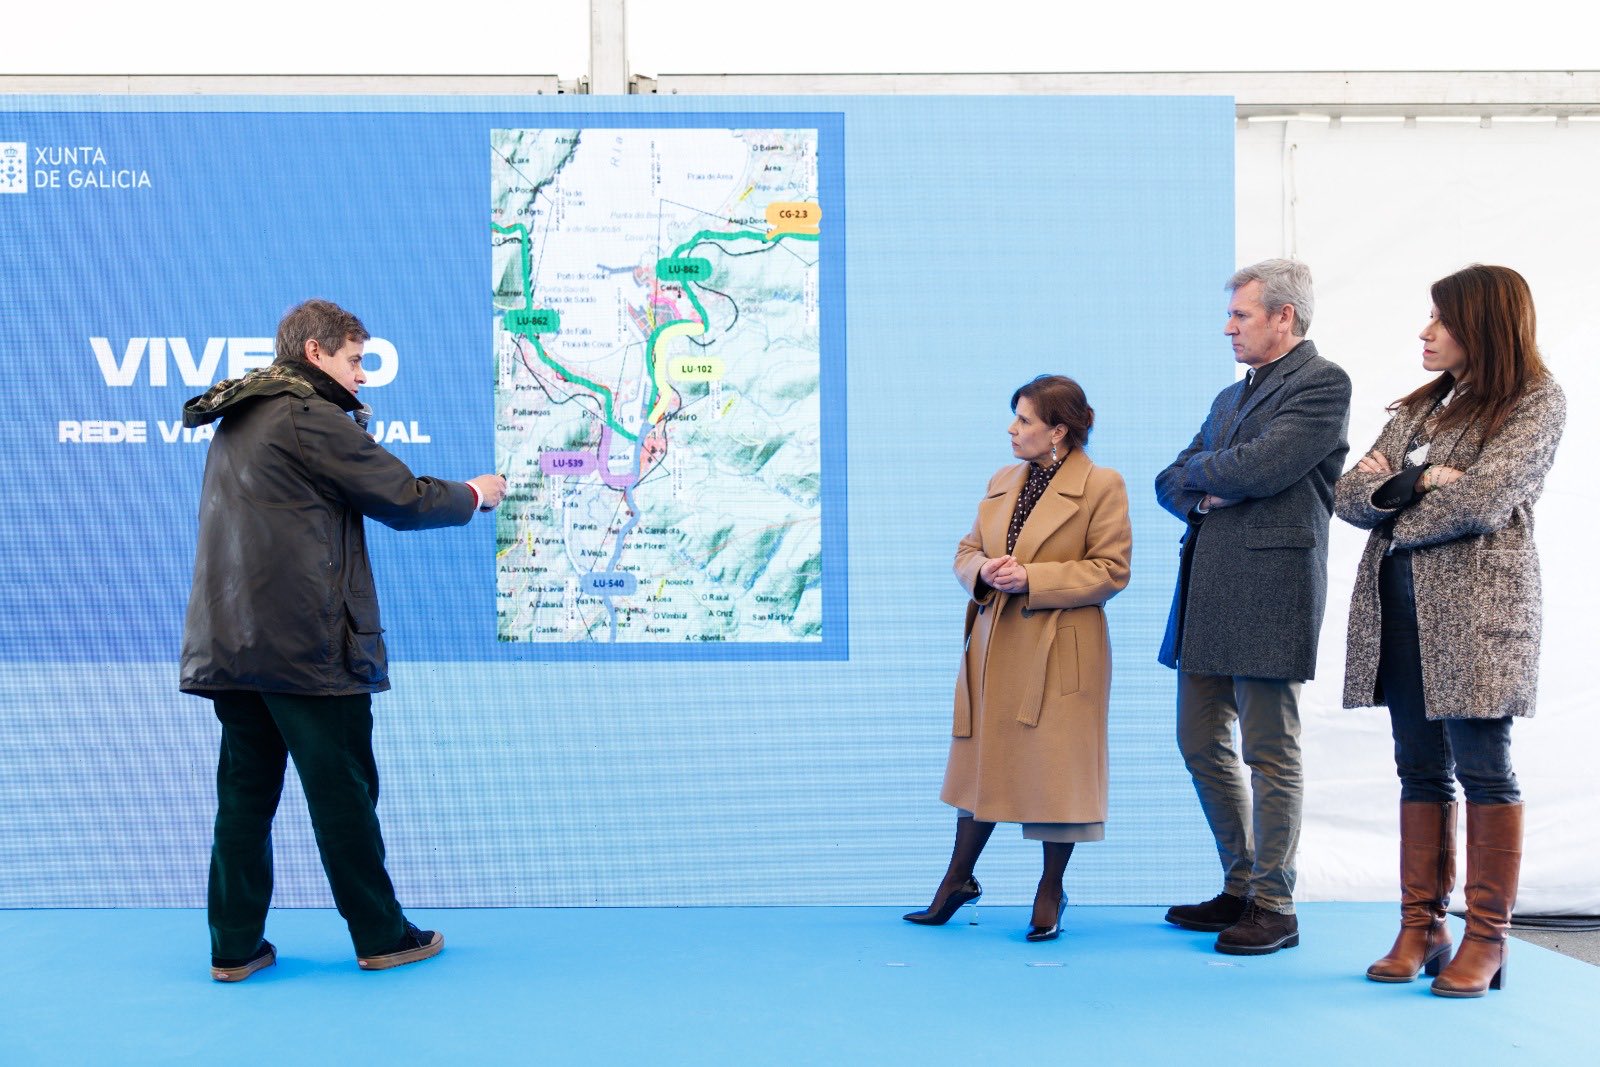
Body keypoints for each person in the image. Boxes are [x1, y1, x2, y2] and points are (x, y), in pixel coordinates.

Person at [180, 299, 508, 982]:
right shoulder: (306, 415)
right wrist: (474, 493)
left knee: (245, 795)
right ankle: (383, 934)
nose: (364, 375)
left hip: (235, 645)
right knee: (344, 793)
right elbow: (405, 497)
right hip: (306, 647)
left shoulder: (242, 413)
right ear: (315, 354)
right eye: (355, 360)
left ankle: (233, 945)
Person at [1335, 265, 1564, 997]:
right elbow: (1347, 492)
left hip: (1479, 613)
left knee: (1484, 767)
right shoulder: (1420, 406)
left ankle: (1487, 937)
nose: (1425, 332)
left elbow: (1489, 499)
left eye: (1440, 319)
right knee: (1418, 767)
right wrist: (1425, 481)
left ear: (1483, 323)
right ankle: (1420, 925)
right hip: (1398, 605)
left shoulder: (1535, 399)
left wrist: (1399, 493)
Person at [1155, 259, 1351, 955]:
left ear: (1283, 318)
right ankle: (1240, 884)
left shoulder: (1323, 384)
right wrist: (1211, 481)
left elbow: (1262, 468)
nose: (1228, 326)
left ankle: (1275, 901)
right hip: (1208, 592)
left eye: (1241, 314)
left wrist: (1210, 473)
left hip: (1271, 594)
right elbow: (1168, 476)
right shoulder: (1229, 396)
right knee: (1198, 740)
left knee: (1270, 749)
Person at [905, 375, 1131, 942]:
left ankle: (1050, 890)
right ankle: (957, 879)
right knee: (983, 764)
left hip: (1060, 650)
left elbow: (1112, 571)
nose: (1012, 429)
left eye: (1025, 420)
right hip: (996, 643)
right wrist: (981, 570)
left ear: (1059, 430)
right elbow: (967, 549)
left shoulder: (1103, 485)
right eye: (1015, 417)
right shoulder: (1002, 480)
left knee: (1056, 772)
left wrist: (1033, 576)